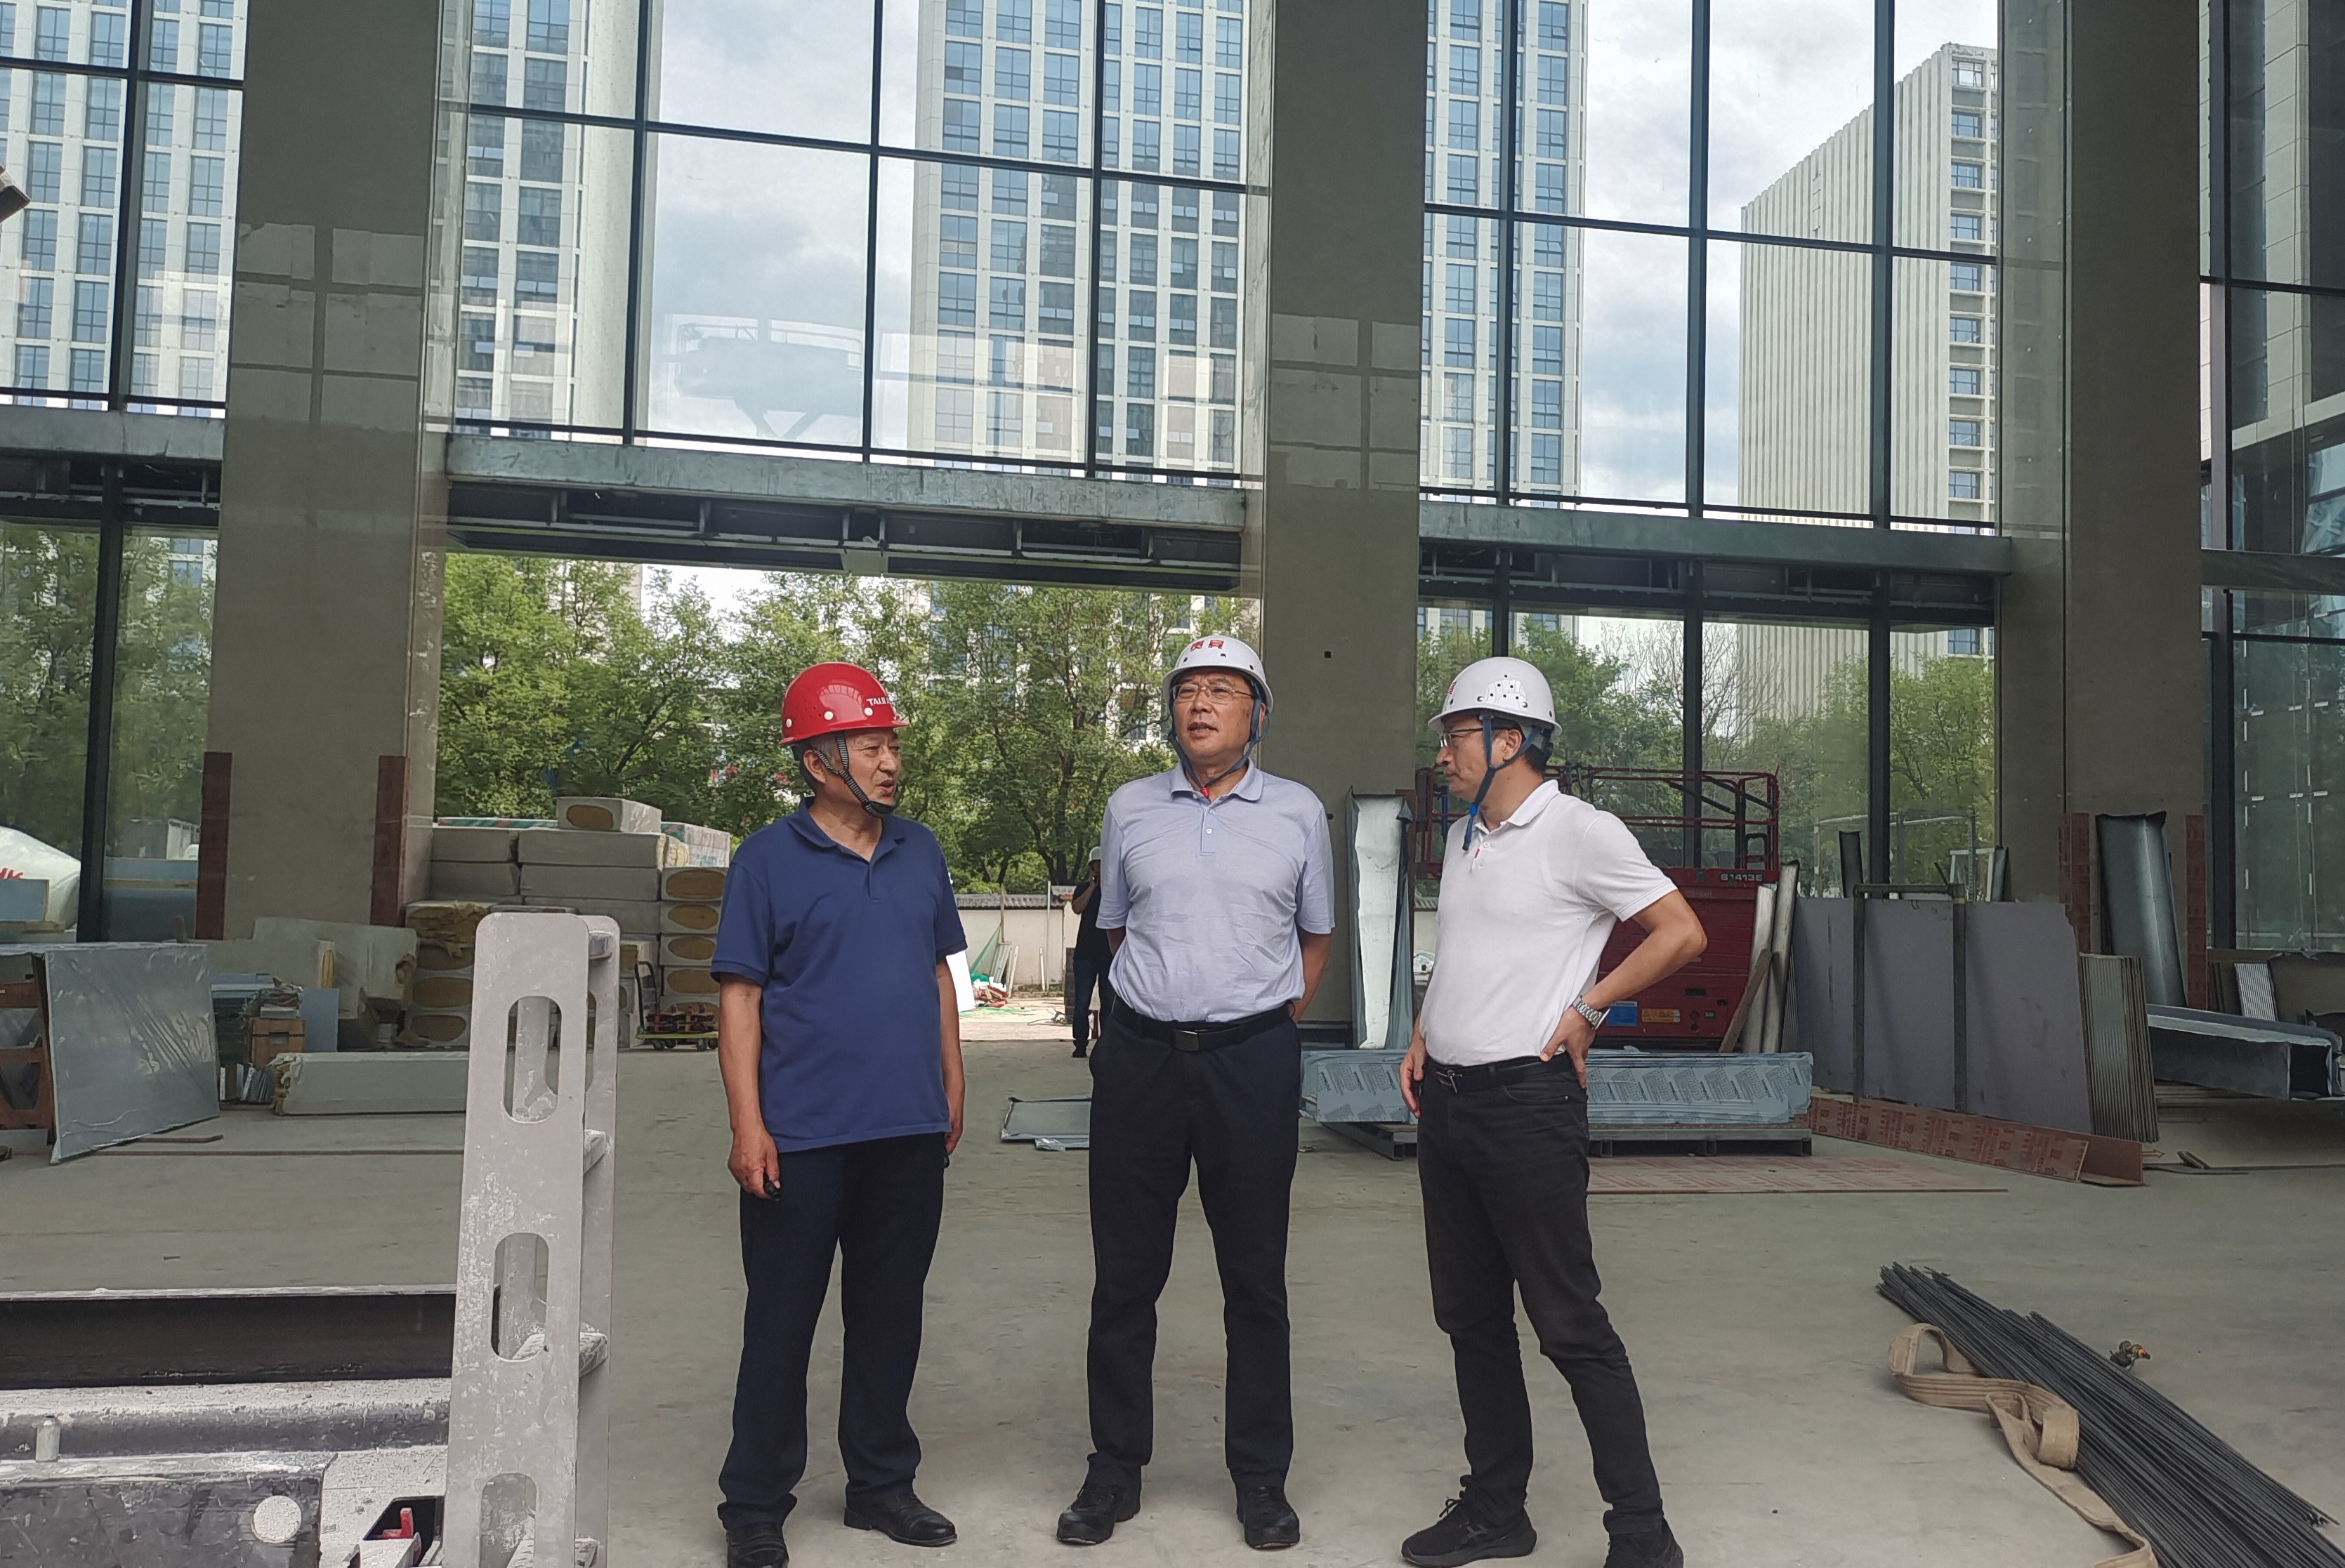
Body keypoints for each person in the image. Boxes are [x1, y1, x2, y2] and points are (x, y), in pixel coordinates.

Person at [1397, 657, 1707, 1568]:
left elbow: (1680, 932)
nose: (1443, 753)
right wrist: (1422, 1032)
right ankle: (1497, 1510)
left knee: (1568, 1323)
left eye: (1456, 736)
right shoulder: (1467, 836)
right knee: (1470, 1319)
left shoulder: (1579, 831)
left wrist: (1590, 1005)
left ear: (1509, 741)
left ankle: (1641, 1532)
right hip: (1448, 1105)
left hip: (1526, 1108)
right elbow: (1466, 951)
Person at [1056, 633, 1334, 1553]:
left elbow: (1315, 938)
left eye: (1222, 689)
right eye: (1186, 690)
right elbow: (1115, 930)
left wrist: (1259, 1019)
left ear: (1258, 712)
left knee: (1254, 1278)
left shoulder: (1297, 812)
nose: (1200, 704)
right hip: (1139, 1058)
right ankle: (1113, 1468)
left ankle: (1260, 1477)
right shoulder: (1130, 807)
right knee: (1123, 1276)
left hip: (1250, 1063)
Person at [711, 661, 969, 1568]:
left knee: (890, 1314)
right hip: (803, 1135)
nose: (890, 761)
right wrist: (747, 1124)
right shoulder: (765, 860)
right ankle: (754, 1502)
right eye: (870, 745)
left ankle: (881, 1485)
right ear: (818, 760)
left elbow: (939, 971)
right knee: (781, 1322)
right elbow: (740, 998)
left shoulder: (921, 850)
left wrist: (953, 1079)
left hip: (906, 1129)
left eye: (892, 743)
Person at [1066, 845, 1113, 1058]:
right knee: (1082, 1001)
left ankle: (1107, 1045)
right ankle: (1080, 1044)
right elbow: (1077, 908)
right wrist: (1093, 887)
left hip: (1108, 954)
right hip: (1085, 954)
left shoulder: (1114, 891)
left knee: (1108, 1002)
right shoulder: (1083, 888)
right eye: (1098, 865)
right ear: (1092, 867)